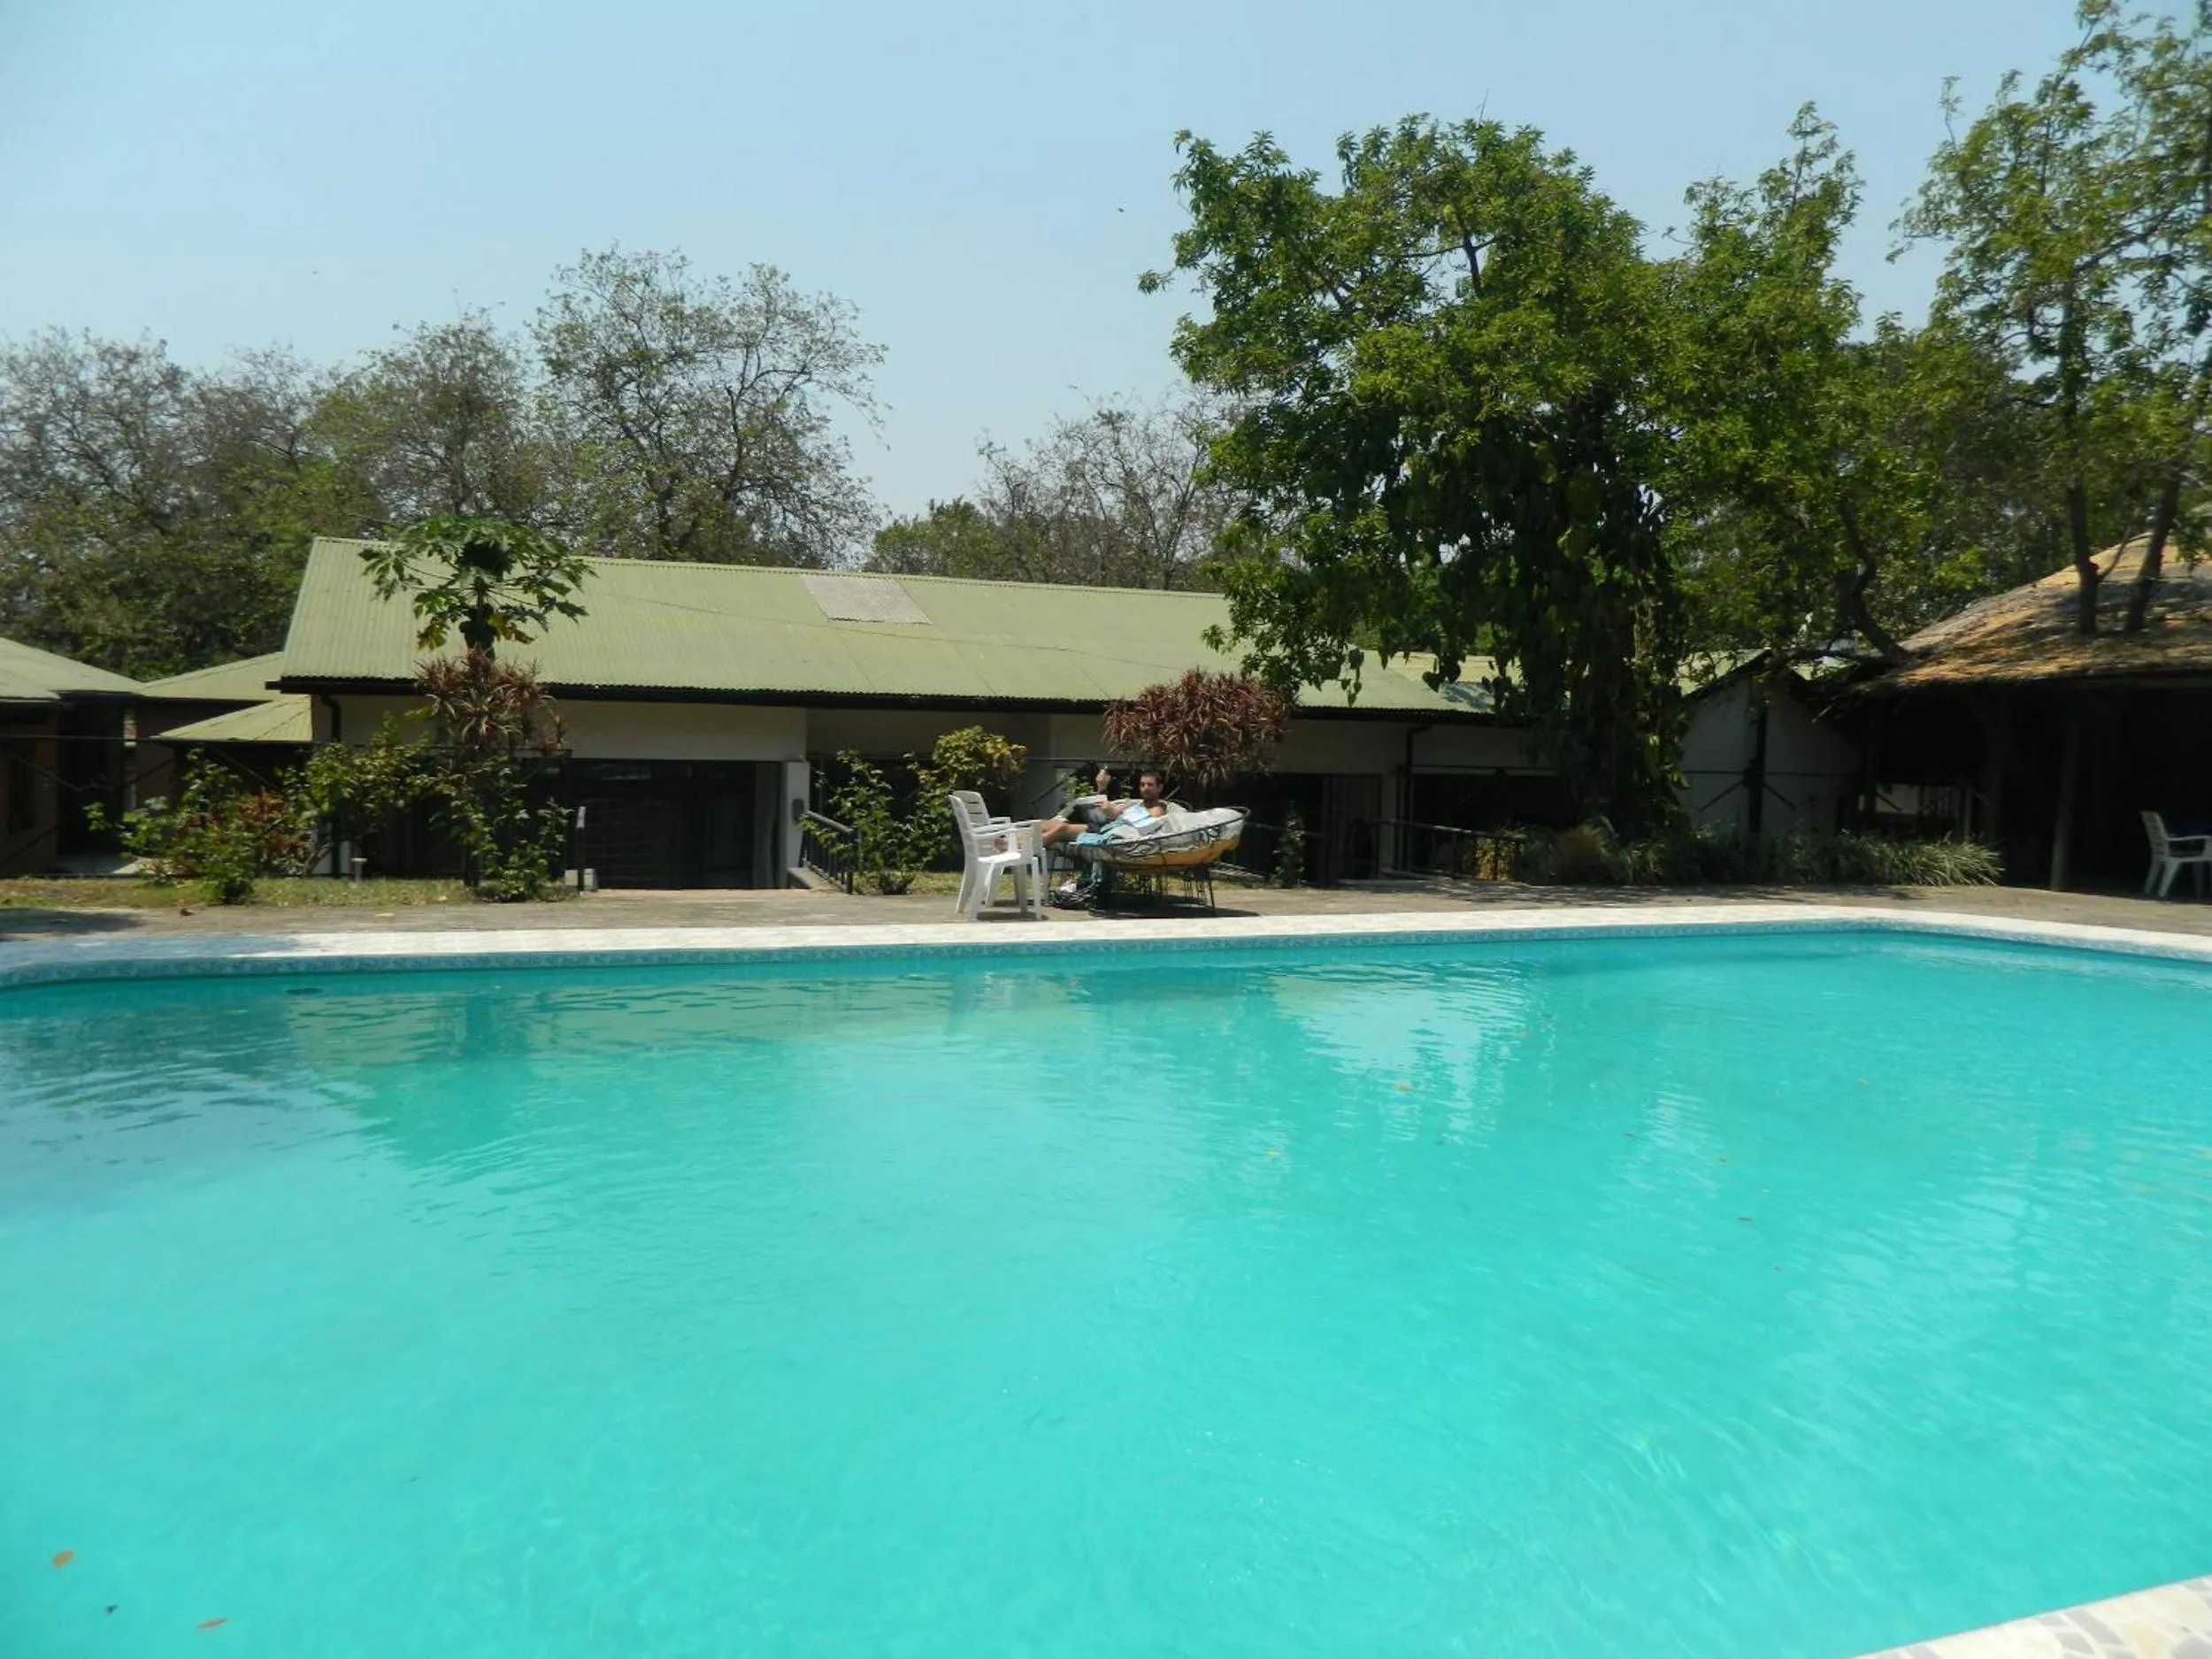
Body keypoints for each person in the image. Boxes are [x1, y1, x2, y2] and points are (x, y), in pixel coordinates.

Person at [1039, 767, 1169, 848]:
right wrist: (1103, 793)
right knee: (1043, 825)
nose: (1145, 788)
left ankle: (1030, 851)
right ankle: (1026, 846)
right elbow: (1114, 814)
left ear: (1160, 788)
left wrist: (1114, 813)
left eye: (1150, 785)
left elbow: (1136, 825)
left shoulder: (1158, 809)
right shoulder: (1134, 804)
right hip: (1099, 823)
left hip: (1104, 831)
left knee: (1062, 828)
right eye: (1142, 785)